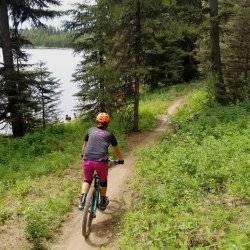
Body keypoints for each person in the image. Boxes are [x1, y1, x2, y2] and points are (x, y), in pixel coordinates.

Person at [79, 112, 124, 211]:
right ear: (107, 123)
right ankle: (103, 200)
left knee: (87, 179)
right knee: (103, 181)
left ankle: (82, 200)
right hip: (100, 162)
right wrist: (120, 159)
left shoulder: (90, 130)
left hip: (87, 159)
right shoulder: (109, 134)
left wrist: (83, 155)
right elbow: (116, 149)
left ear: (96, 122)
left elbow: (85, 145)